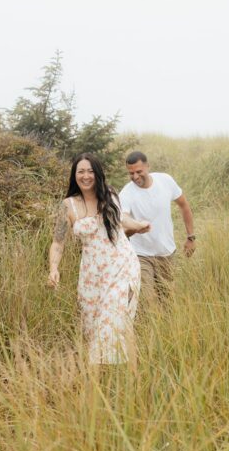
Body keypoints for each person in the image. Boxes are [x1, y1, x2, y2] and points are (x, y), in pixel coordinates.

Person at [47, 153, 151, 365]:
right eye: (81, 171)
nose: (86, 176)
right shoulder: (68, 206)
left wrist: (139, 224)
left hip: (122, 265)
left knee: (115, 319)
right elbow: (58, 242)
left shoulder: (109, 194)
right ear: (74, 175)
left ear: (98, 173)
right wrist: (53, 268)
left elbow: (122, 221)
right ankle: (100, 384)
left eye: (90, 171)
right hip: (92, 274)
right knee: (93, 327)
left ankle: (129, 378)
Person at [119, 150, 196, 306]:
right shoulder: (127, 192)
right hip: (140, 255)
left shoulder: (165, 181)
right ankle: (144, 329)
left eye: (139, 172)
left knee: (167, 301)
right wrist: (136, 226)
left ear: (148, 166)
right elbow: (123, 219)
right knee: (146, 301)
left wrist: (191, 237)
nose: (135, 177)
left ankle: (167, 330)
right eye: (131, 173)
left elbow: (184, 205)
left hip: (166, 253)